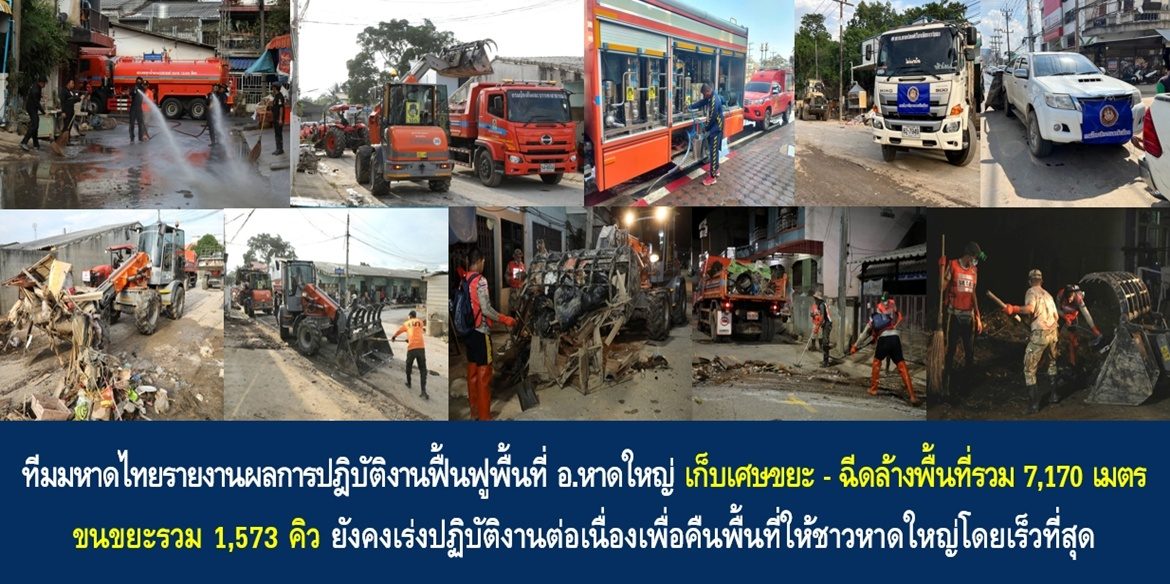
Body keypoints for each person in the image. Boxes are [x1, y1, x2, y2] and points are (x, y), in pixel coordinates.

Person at [464, 248, 516, 420]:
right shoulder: (481, 281)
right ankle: (485, 417)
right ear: (479, 261)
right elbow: (485, 309)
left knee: (472, 373)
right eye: (483, 262)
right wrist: (504, 318)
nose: (484, 265)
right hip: (481, 332)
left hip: (468, 332)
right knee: (484, 375)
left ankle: (474, 413)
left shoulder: (463, 279)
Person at [1002, 269, 1060, 414]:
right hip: (1054, 333)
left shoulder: (1031, 292)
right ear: (1042, 281)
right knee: (1052, 363)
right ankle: (1054, 396)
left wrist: (1013, 309)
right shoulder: (1048, 295)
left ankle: (1034, 405)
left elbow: (1029, 309)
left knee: (1029, 369)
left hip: (1041, 334)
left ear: (1029, 281)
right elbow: (1056, 317)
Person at [851, 292, 920, 406]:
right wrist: (874, 337)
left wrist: (855, 346)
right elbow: (877, 332)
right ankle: (912, 396)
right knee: (902, 365)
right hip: (895, 338)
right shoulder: (888, 318)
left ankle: (873, 389)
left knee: (877, 362)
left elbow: (864, 334)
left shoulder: (873, 318)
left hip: (884, 340)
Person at [942, 241, 984, 392]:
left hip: (969, 316)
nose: (976, 260)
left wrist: (978, 316)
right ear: (969, 255)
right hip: (954, 316)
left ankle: (967, 385)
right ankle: (945, 385)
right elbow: (942, 287)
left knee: (969, 351)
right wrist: (942, 269)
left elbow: (973, 294)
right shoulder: (953, 265)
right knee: (951, 350)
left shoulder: (974, 271)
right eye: (975, 257)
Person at [1056, 284, 1102, 370]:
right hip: (1062, 315)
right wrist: (1064, 317)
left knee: (1072, 339)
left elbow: (1086, 314)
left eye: (1071, 298)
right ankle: (1057, 356)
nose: (1069, 301)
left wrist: (1094, 329)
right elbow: (1056, 309)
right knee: (1058, 337)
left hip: (1073, 317)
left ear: (1074, 295)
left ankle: (1072, 362)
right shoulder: (1060, 295)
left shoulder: (1078, 299)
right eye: (1067, 299)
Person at [688, 82, 724, 186]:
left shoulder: (714, 100)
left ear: (708, 91)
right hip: (716, 127)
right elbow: (702, 102)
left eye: (704, 94)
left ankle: (712, 177)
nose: (704, 96)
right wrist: (691, 106)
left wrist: (706, 129)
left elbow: (712, 117)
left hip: (716, 129)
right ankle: (716, 171)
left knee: (713, 152)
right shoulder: (710, 96)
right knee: (715, 150)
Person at [392, 310, 429, 400]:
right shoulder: (420, 322)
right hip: (420, 348)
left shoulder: (407, 323)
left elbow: (399, 331)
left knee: (408, 366)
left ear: (409, 316)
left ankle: (409, 383)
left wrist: (394, 337)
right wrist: (409, 338)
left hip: (411, 348)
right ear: (415, 316)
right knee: (423, 369)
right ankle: (423, 391)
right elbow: (416, 331)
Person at [53, 79, 80, 155]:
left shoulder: (70, 92)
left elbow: (73, 99)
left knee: (70, 126)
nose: (73, 85)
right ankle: (62, 141)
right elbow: (62, 102)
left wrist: (78, 98)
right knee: (66, 126)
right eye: (72, 83)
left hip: (71, 111)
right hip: (66, 111)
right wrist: (63, 112)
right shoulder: (64, 91)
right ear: (68, 83)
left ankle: (67, 140)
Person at [20, 77, 48, 152]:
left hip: (33, 107)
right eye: (44, 83)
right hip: (31, 108)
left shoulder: (38, 87)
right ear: (41, 82)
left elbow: (37, 97)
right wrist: (44, 112)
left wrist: (42, 96)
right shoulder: (35, 89)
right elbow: (37, 103)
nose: (45, 85)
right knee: (34, 125)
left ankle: (36, 145)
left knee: (36, 124)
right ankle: (24, 142)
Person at [811, 290, 832, 367]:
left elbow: (822, 317)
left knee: (825, 343)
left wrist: (817, 326)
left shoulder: (821, 305)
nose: (815, 300)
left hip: (827, 324)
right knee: (824, 342)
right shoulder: (819, 305)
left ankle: (826, 362)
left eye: (816, 298)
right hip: (825, 324)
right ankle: (825, 360)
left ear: (818, 299)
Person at [505, 247, 525, 314]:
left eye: (520, 255)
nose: (519, 257)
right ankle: (513, 321)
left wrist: (524, 276)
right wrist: (511, 279)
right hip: (514, 289)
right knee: (513, 307)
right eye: (517, 255)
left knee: (520, 306)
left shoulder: (522, 265)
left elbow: (524, 275)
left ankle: (518, 321)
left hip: (521, 289)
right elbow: (506, 275)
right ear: (514, 256)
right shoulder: (510, 264)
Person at [129, 77, 148, 142]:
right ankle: (132, 137)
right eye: (137, 81)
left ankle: (140, 137)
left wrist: (138, 88)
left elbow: (144, 90)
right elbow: (130, 94)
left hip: (139, 109)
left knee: (140, 124)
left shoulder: (142, 89)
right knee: (131, 124)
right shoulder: (133, 88)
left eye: (140, 81)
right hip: (133, 108)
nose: (138, 82)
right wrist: (134, 90)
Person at [270, 83, 286, 155]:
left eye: (272, 87)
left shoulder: (280, 96)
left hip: (278, 119)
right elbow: (275, 106)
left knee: (279, 134)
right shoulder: (276, 96)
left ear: (275, 88)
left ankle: (280, 149)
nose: (272, 89)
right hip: (275, 117)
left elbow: (281, 108)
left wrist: (280, 119)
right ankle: (278, 148)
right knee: (276, 133)